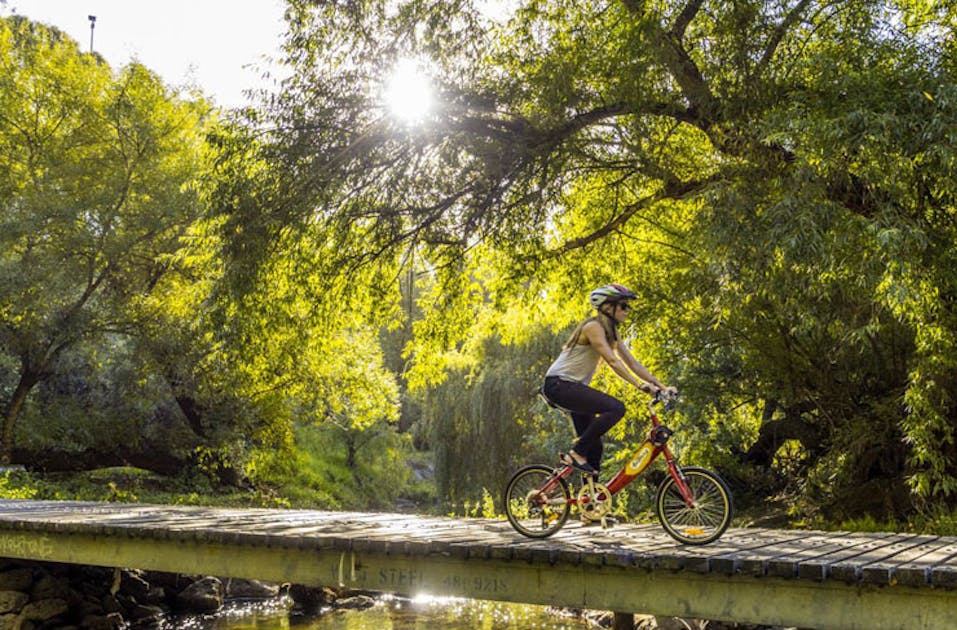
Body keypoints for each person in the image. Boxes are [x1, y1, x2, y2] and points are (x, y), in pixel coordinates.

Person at [542, 283, 676, 481]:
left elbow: (633, 363)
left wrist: (662, 387)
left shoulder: (612, 332)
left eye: (628, 306)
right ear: (607, 307)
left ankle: (589, 506)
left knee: (595, 448)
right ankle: (576, 453)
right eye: (623, 306)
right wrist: (640, 386)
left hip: (572, 388)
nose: (627, 311)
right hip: (559, 385)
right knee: (616, 408)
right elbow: (613, 361)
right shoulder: (593, 327)